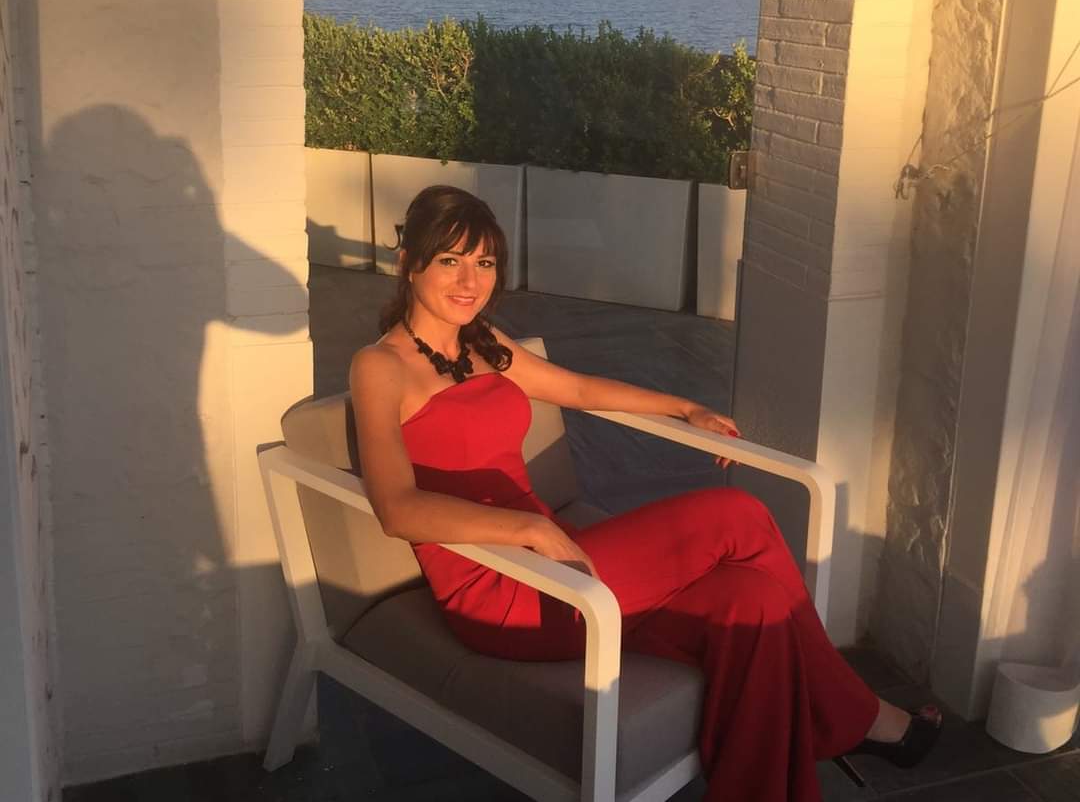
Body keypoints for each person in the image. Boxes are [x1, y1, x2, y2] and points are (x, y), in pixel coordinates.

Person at [350, 185, 941, 802]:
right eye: (450, 260)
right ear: (408, 263)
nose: (470, 281)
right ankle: (858, 717)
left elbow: (579, 389)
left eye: (485, 262)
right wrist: (527, 529)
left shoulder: (482, 343)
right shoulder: (379, 366)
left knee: (754, 600)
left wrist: (683, 406)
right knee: (736, 513)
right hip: (501, 587)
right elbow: (397, 507)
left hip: (557, 556)